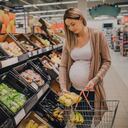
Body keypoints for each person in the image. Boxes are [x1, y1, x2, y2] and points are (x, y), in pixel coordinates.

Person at [59, 7, 111, 127]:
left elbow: (107, 61)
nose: (71, 28)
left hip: (90, 91)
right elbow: (62, 66)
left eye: (73, 24)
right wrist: (63, 88)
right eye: (68, 26)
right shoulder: (69, 40)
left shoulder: (97, 35)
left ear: (81, 18)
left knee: (85, 123)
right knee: (79, 122)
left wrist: (95, 79)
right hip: (73, 92)